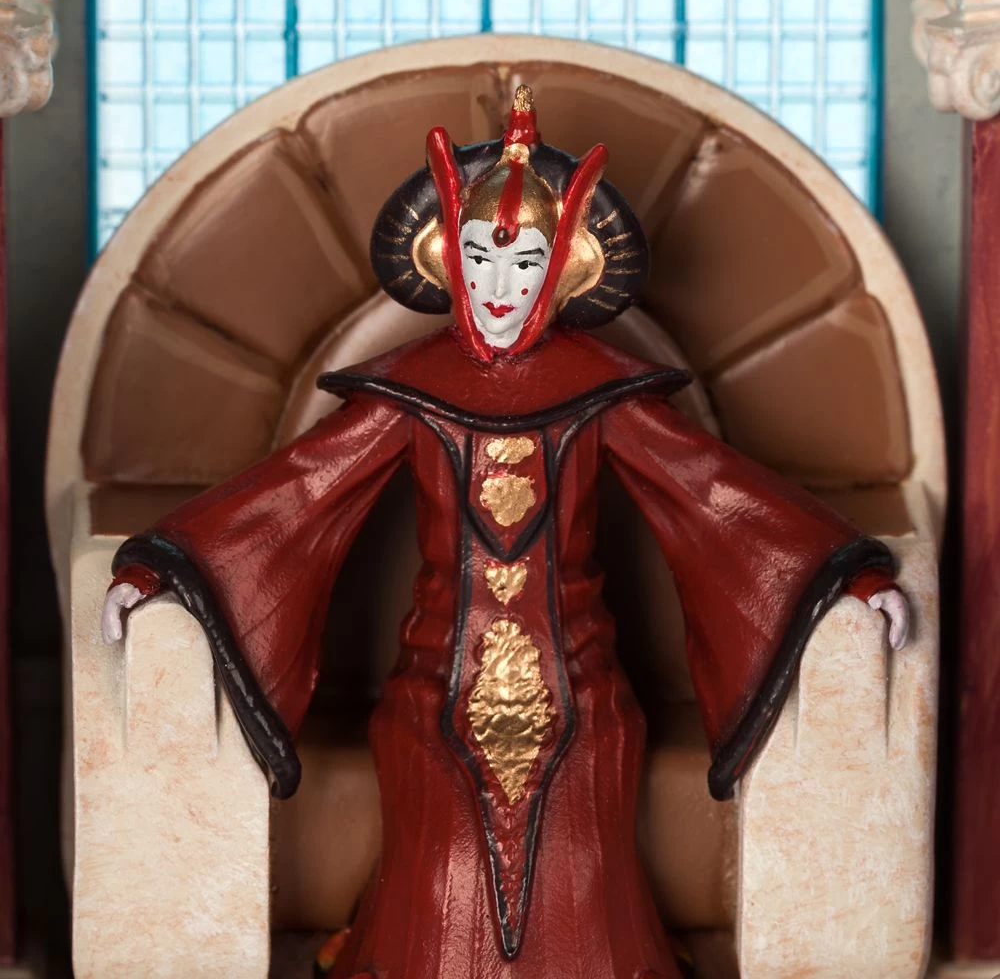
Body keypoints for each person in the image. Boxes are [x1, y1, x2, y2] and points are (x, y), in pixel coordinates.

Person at [102, 86, 908, 979]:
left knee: (584, 879)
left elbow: (715, 491)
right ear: (449, 262)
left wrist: (849, 573)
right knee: (437, 880)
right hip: (433, 695)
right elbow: (296, 492)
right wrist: (162, 566)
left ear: (561, 272)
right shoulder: (409, 393)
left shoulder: (604, 395)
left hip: (583, 700)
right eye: (480, 259)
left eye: (523, 263)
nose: (497, 288)